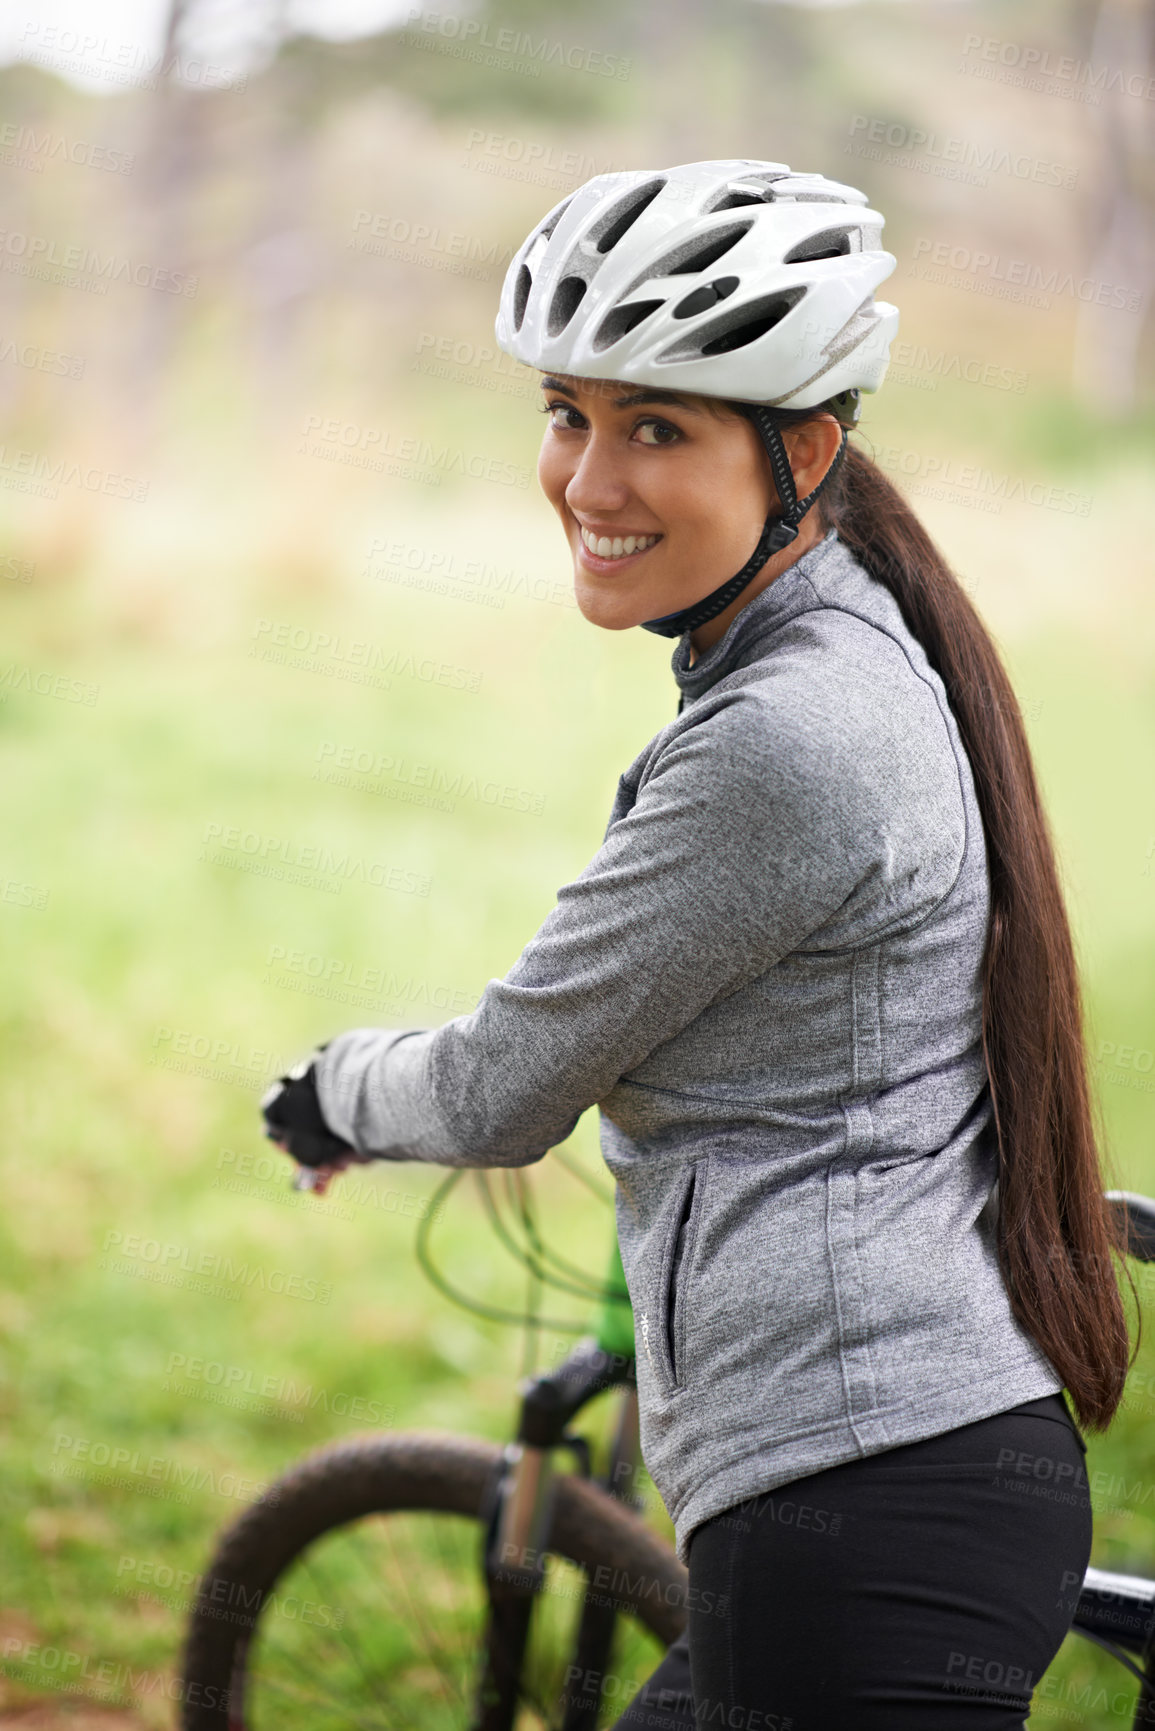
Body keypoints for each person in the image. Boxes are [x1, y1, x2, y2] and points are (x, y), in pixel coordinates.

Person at [261, 160, 1132, 1728]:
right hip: (883, 1484)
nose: (590, 482)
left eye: (656, 427)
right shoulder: (857, 634)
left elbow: (494, 1092)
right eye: (567, 413)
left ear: (803, 451)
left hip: (863, 1508)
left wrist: (331, 1087)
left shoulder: (784, 743)